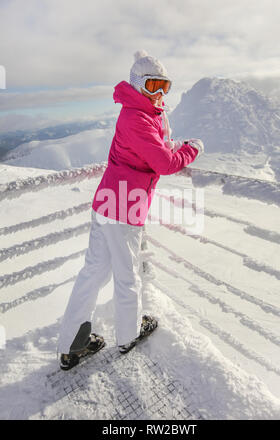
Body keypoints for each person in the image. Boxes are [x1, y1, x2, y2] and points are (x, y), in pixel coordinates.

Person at [57, 50, 204, 370]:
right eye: (153, 86)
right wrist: (191, 150)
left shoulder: (139, 113)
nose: (160, 93)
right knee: (128, 275)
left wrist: (174, 145)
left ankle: (72, 344)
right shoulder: (137, 117)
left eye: (165, 87)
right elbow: (164, 163)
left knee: (93, 272)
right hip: (125, 207)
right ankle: (128, 335)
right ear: (139, 85)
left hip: (109, 202)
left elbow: (155, 148)